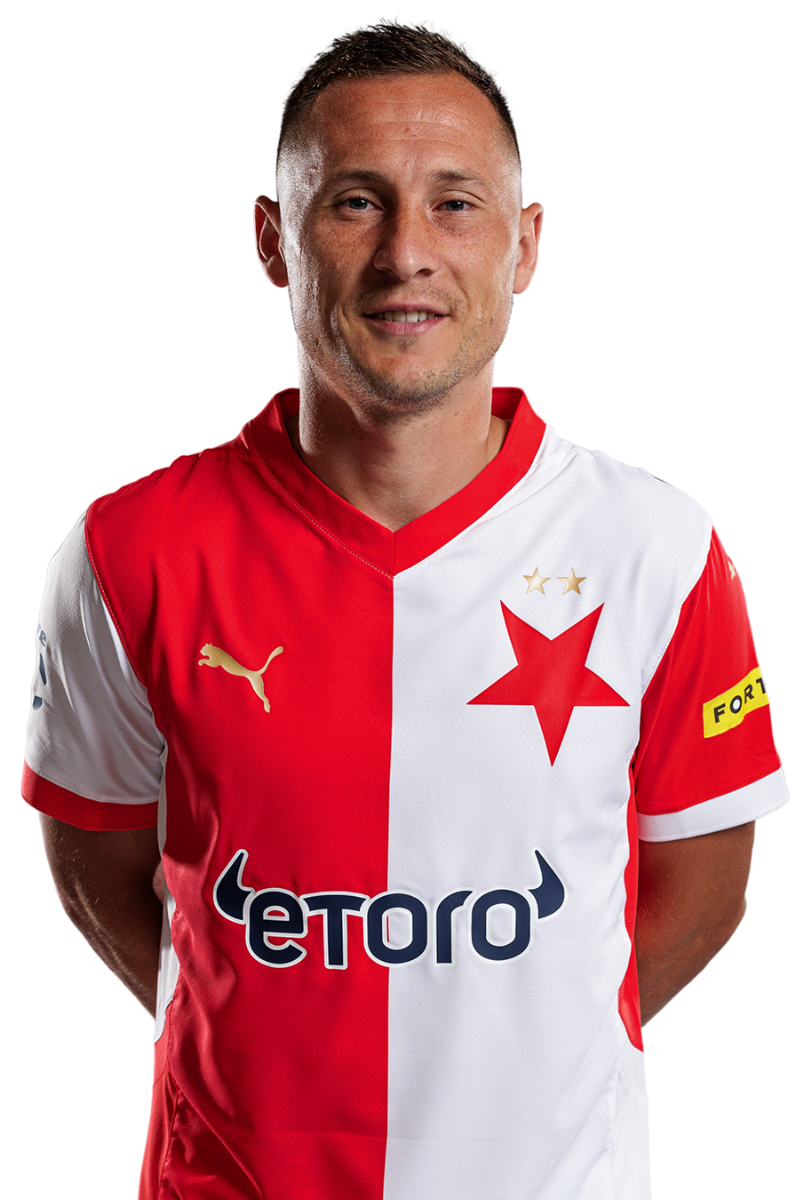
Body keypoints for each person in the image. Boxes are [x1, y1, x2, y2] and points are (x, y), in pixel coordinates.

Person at [23, 17, 787, 1200]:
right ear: (274, 242)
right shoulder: (131, 551)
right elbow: (95, 862)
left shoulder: (656, 550)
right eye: (355, 203)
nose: (406, 254)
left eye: (455, 204)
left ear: (525, 244)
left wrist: (523, 1069)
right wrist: (255, 1060)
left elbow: (703, 887)